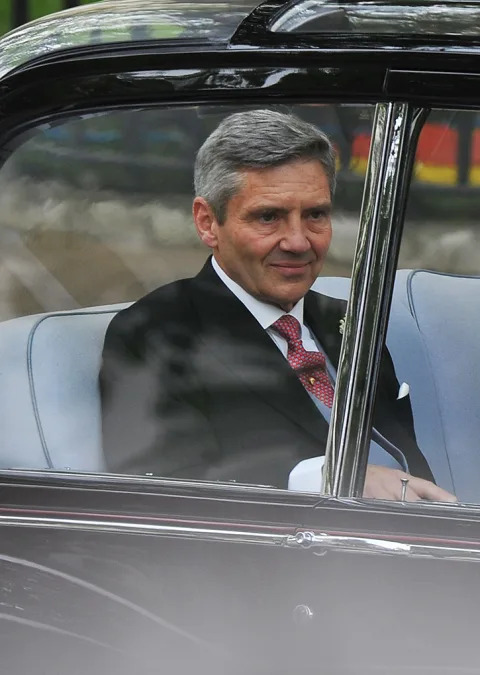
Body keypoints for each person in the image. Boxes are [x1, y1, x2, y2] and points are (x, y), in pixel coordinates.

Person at [99, 109, 454, 502]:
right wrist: (328, 476)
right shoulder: (157, 332)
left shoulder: (350, 321)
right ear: (207, 223)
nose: (299, 242)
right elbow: (163, 488)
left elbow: (408, 467)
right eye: (269, 217)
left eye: (315, 215)